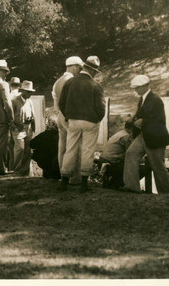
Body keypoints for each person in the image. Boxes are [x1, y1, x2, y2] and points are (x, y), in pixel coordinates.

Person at [59, 55, 106, 193]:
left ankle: (64, 182)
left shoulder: (70, 82)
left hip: (73, 120)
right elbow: (101, 108)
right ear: (93, 71)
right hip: (90, 121)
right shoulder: (95, 86)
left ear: (84, 67)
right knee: (87, 151)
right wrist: (97, 119)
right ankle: (84, 184)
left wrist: (69, 116)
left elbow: (61, 103)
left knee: (70, 149)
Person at [122, 75, 169, 194]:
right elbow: (142, 114)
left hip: (155, 137)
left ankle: (167, 193)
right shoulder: (143, 98)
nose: (135, 90)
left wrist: (143, 121)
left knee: (158, 166)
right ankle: (131, 187)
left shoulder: (155, 99)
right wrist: (133, 119)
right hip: (144, 135)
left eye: (137, 87)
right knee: (131, 154)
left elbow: (159, 120)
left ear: (146, 86)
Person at [52, 56, 84, 185]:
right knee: (75, 146)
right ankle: (74, 178)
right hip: (70, 116)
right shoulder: (72, 80)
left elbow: (56, 102)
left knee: (63, 147)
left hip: (60, 115)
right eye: (80, 68)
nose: (80, 70)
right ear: (75, 67)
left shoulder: (58, 81)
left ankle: (63, 174)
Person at [97, 121, 134, 189]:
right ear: (132, 128)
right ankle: (115, 184)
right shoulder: (126, 136)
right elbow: (130, 153)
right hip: (110, 164)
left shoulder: (120, 133)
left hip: (102, 161)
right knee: (139, 169)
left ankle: (113, 184)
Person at [10, 80, 36, 176]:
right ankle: (16, 170)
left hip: (28, 127)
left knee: (28, 150)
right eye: (28, 92)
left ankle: (25, 171)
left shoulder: (30, 101)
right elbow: (9, 115)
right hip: (18, 128)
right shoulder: (15, 101)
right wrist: (12, 126)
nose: (30, 94)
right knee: (19, 149)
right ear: (23, 91)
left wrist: (33, 126)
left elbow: (33, 114)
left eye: (31, 92)